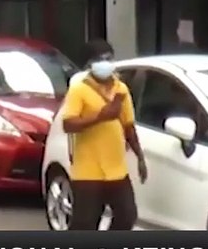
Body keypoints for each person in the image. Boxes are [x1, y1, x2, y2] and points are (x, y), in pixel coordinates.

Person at [60, 39, 147, 230]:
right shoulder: (79, 90)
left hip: (116, 170)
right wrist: (100, 117)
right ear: (90, 64)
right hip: (88, 172)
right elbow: (68, 124)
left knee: (127, 215)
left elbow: (129, 127)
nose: (106, 63)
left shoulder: (121, 89)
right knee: (85, 223)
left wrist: (140, 157)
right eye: (100, 59)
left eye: (109, 58)